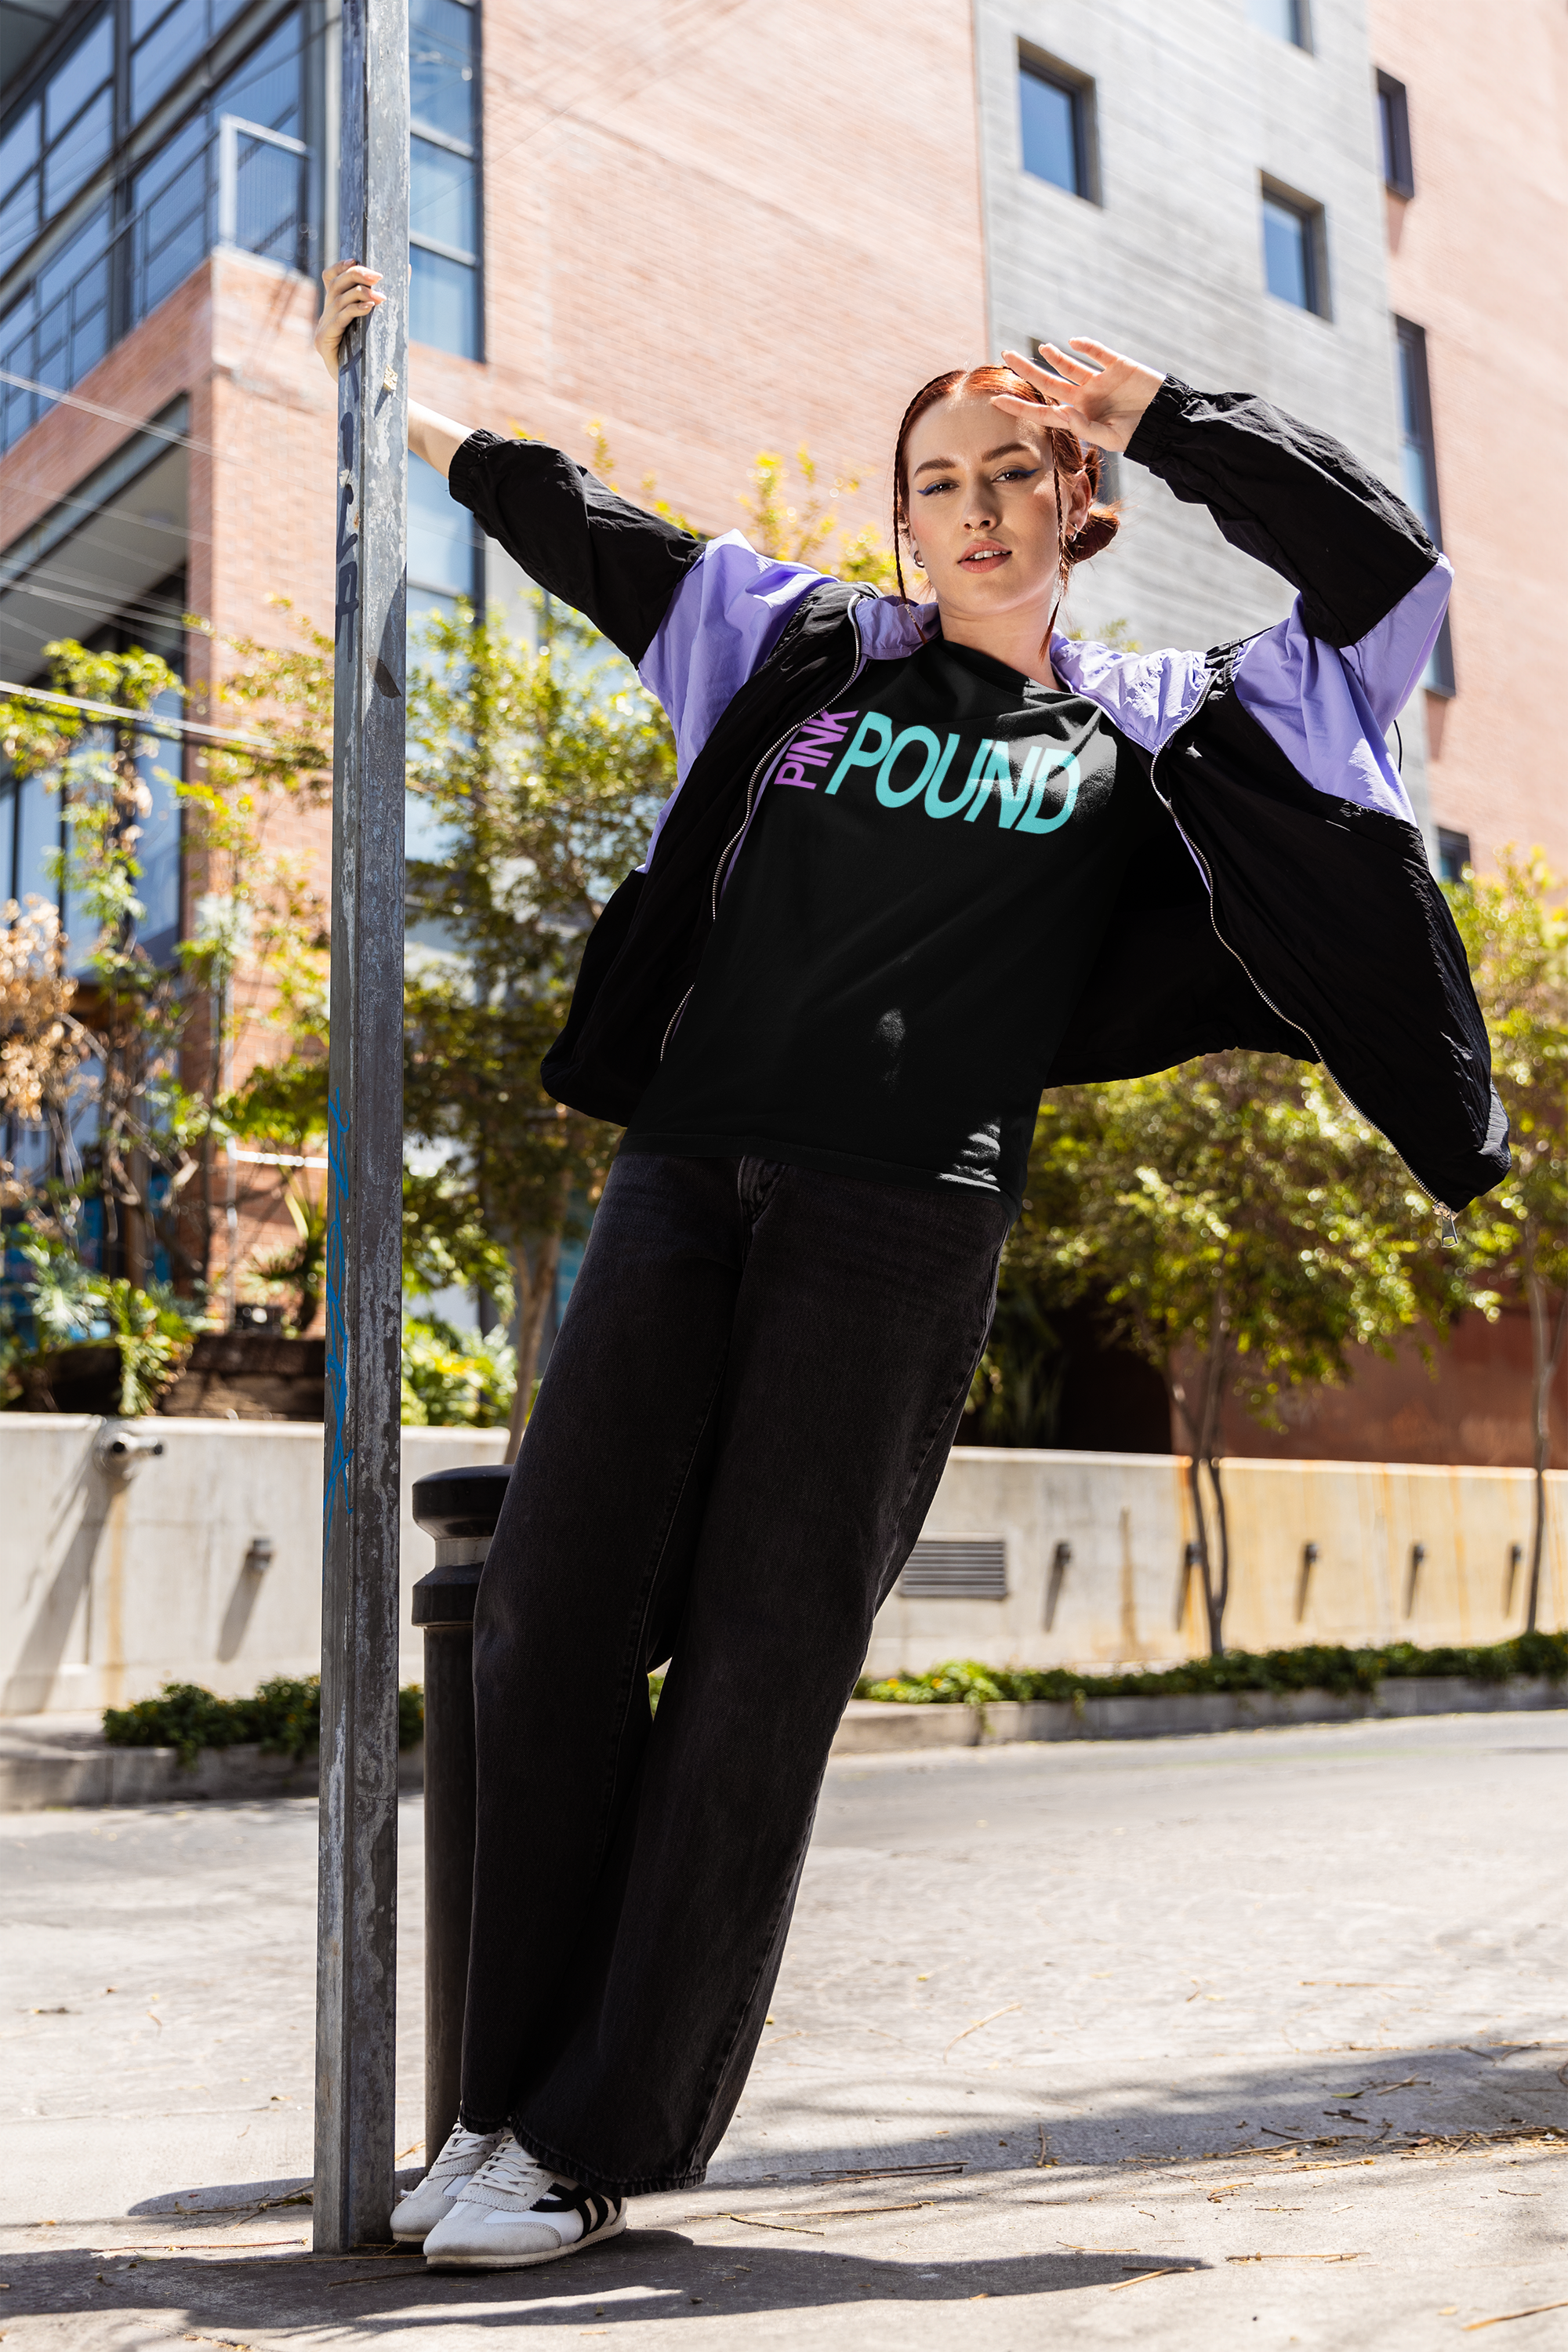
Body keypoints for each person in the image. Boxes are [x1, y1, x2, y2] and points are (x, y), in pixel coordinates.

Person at [314, 260, 1506, 2270]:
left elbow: (1392, 585)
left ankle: (593, 2143)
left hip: (904, 1224)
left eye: (1013, 473)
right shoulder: (797, 653)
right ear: (900, 517)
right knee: (546, 1625)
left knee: (761, 1675)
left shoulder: (1170, 728)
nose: (969, 506)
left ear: (1073, 508)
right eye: (934, 477)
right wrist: (390, 391)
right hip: (690, 1182)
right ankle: (498, 2111)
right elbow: (578, 521)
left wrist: (1176, 416)